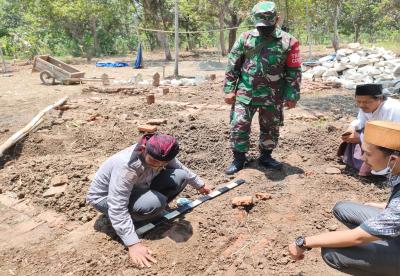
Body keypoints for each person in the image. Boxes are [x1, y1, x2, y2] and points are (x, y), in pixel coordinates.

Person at [290, 121, 400, 275]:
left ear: (393, 158)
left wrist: (303, 242)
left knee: (333, 253)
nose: (362, 157)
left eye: (367, 153)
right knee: (343, 209)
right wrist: (386, 206)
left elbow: (357, 237)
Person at [86, 133, 212, 267]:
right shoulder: (127, 166)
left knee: (180, 176)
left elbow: (180, 168)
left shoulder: (162, 153)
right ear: (144, 149)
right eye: (153, 161)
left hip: (138, 186)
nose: (158, 165)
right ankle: (138, 217)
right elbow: (117, 206)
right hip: (105, 199)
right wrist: (133, 243)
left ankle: (147, 209)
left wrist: (200, 185)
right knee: (154, 203)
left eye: (163, 163)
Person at [223, 1, 302, 175]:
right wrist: (229, 89)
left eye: (268, 24)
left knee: (270, 127)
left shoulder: (289, 42)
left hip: (273, 95)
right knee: (239, 124)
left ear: (277, 19)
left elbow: (294, 70)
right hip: (246, 92)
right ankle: (239, 158)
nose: (264, 29)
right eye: (261, 25)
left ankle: (266, 156)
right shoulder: (245, 38)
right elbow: (233, 64)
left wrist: (292, 94)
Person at [339, 83, 400, 176]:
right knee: (358, 134)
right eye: (358, 101)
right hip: (388, 139)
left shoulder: (392, 109)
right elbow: (360, 123)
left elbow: (394, 139)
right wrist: (351, 129)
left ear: (380, 98)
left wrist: (361, 137)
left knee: (366, 138)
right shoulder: (366, 107)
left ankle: (384, 171)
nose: (361, 105)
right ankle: (369, 166)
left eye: (366, 102)